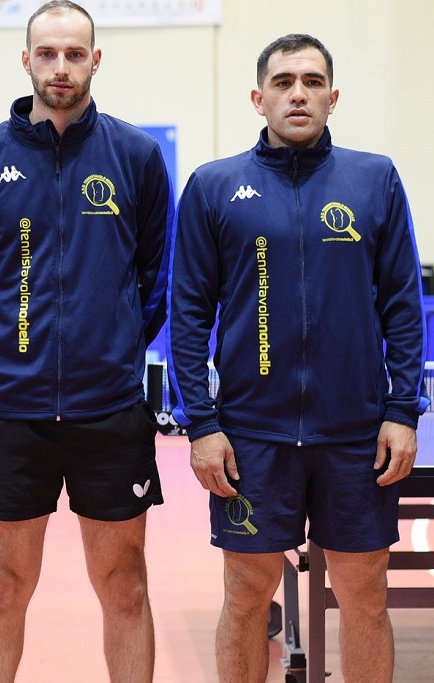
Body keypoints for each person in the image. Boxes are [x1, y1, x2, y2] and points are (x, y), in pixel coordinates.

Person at [167, 34, 427, 683]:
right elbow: (188, 314)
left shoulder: (374, 179)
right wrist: (202, 424)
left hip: (355, 435)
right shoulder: (214, 186)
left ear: (333, 98)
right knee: (246, 597)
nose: (298, 94)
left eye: (312, 82)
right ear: (259, 98)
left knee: (364, 596)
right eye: (283, 82)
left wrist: (402, 411)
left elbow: (403, 304)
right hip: (252, 437)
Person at [0, 2, 172, 680]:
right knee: (3, 585)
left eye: (74, 53)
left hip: (111, 410)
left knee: (124, 584)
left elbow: (156, 273)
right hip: (15, 412)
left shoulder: (136, 156)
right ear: (26, 60)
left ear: (96, 60)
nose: (61, 67)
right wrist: (0, 356)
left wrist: (116, 347)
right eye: (47, 53)